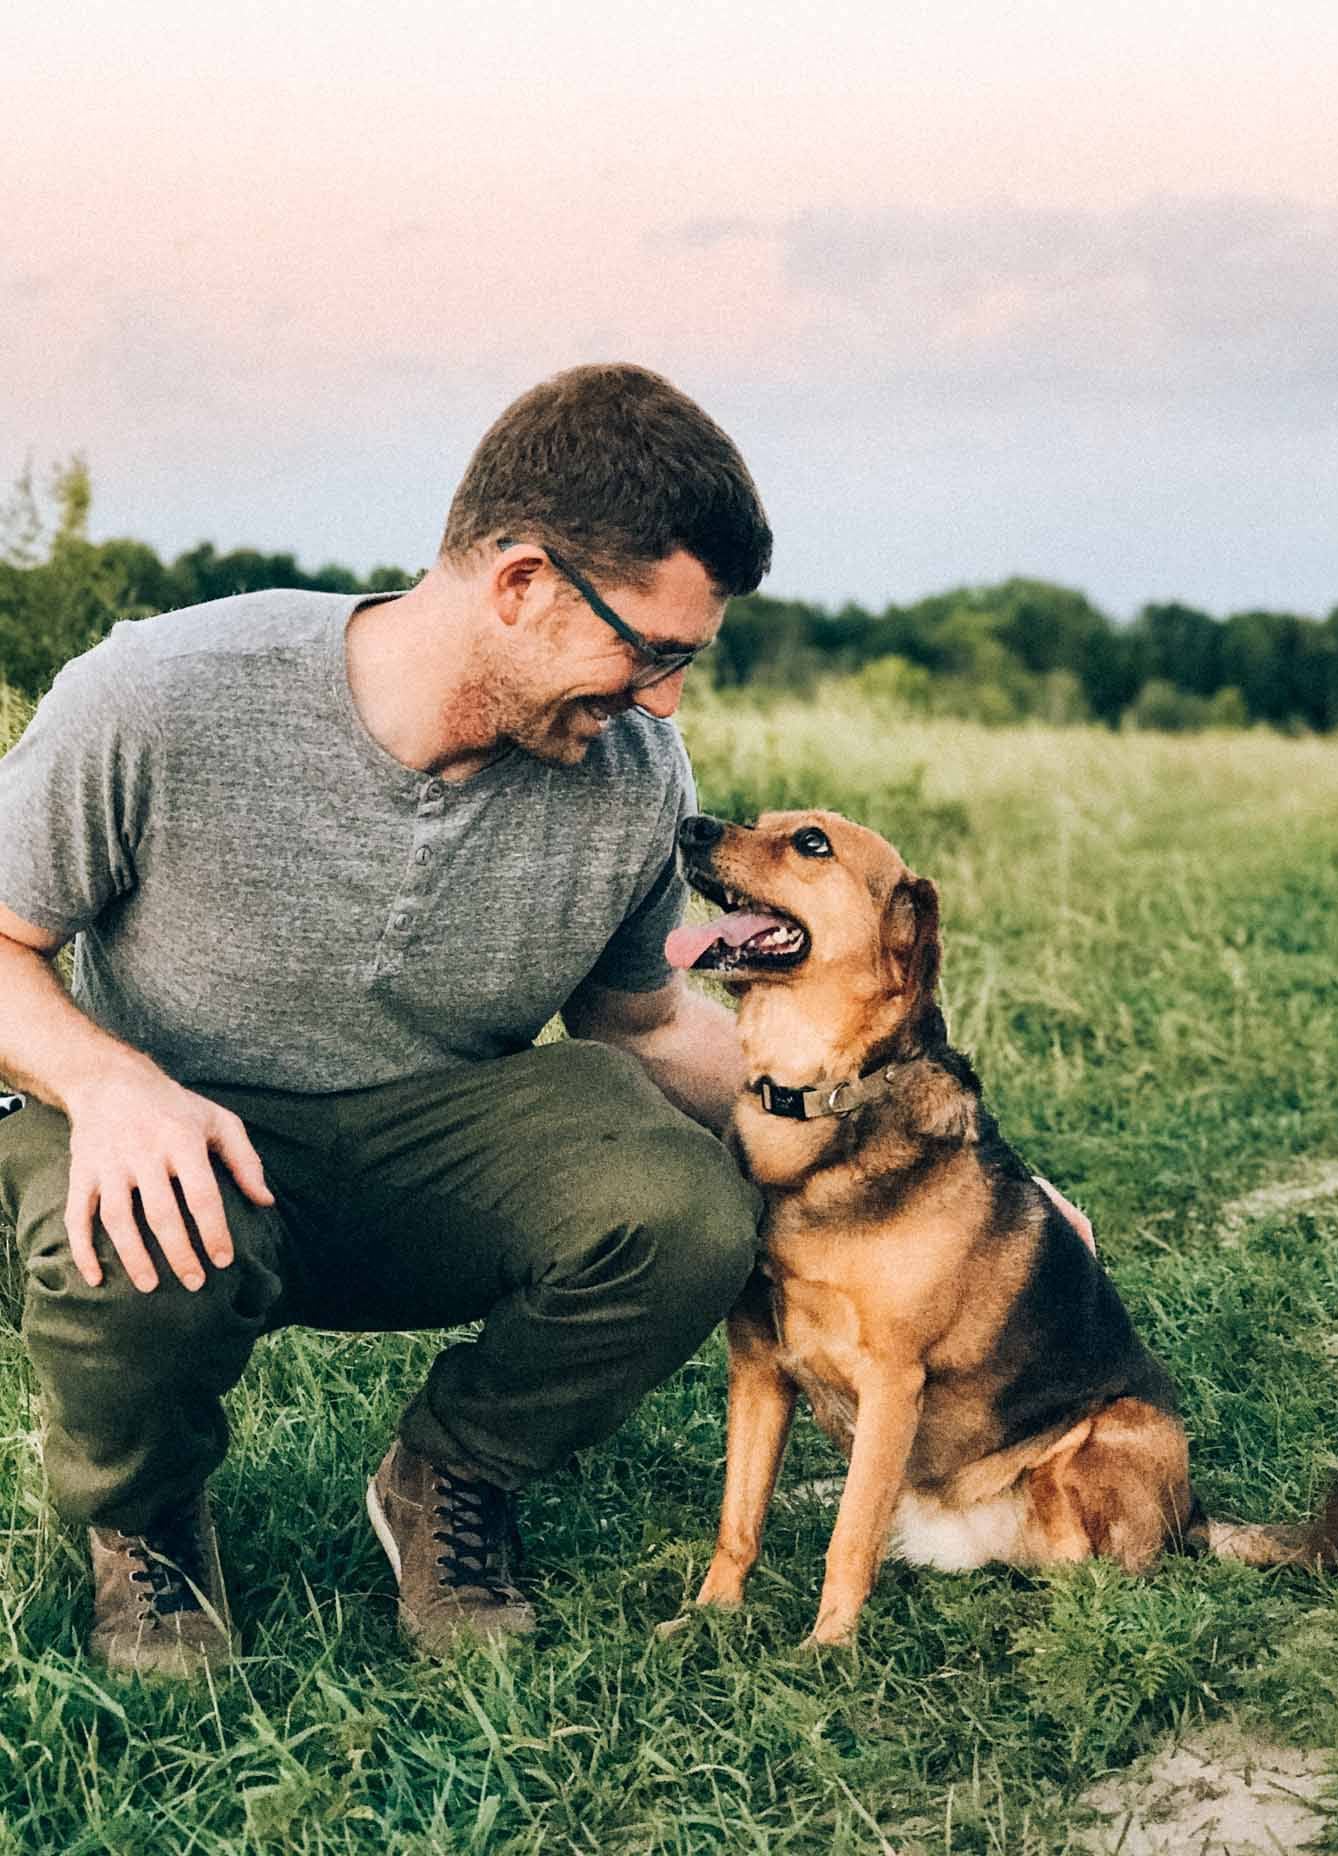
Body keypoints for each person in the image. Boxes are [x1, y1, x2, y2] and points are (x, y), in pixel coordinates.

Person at [0, 363, 773, 1675]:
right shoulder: (165, 692)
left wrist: (930, 1144)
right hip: (186, 1123)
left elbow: (641, 1023)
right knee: (134, 1216)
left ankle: (451, 1476)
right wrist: (112, 1085)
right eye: (651, 651)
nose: (661, 701)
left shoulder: (634, 772)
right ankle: (146, 1528)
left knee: (690, 1207)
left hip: (430, 1148)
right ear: (519, 582)